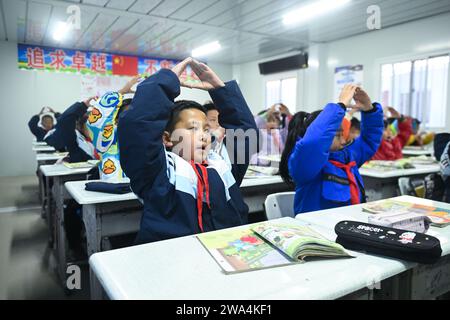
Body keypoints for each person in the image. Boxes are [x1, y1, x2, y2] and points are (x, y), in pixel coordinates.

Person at [118, 57, 257, 244]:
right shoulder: (157, 174)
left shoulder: (224, 168)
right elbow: (138, 127)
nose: (203, 136)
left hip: (228, 252)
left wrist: (220, 91)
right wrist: (164, 82)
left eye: (206, 129)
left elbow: (245, 133)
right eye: (193, 128)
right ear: (166, 138)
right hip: (176, 260)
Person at [279, 85, 384, 214]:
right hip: (317, 230)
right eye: (338, 135)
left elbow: (369, 140)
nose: (344, 141)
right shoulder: (305, 163)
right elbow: (313, 143)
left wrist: (369, 111)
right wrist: (340, 106)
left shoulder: (346, 156)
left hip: (348, 226)